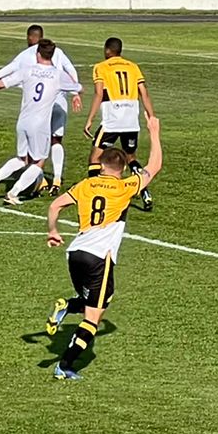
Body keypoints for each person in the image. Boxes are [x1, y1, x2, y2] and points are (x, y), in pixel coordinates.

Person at [44, 142, 160, 381]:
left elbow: (55, 205)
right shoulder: (125, 186)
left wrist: (53, 230)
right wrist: (155, 132)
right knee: (93, 318)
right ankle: (64, 366)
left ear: (101, 165)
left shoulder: (85, 185)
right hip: (99, 257)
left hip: (75, 253)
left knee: (99, 300)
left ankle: (67, 306)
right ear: (123, 168)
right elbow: (155, 165)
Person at [0, 38, 64, 206]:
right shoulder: (58, 74)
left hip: (23, 122)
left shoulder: (27, 70)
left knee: (22, 159)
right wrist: (76, 94)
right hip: (40, 125)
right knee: (39, 162)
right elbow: (77, 86)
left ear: (37, 53)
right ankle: (13, 193)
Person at [0, 24, 82, 197]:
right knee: (54, 141)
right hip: (56, 100)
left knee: (27, 155)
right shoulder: (56, 52)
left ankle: (28, 180)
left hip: (31, 111)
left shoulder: (27, 57)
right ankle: (53, 179)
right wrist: (75, 93)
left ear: (30, 38)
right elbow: (71, 70)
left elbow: (9, 69)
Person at [84, 36, 157, 211]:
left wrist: (90, 119)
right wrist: (151, 116)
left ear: (107, 50)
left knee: (95, 157)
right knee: (131, 158)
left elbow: (99, 94)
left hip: (112, 120)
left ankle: (95, 194)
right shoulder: (133, 67)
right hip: (131, 119)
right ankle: (144, 191)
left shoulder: (100, 67)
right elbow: (144, 93)